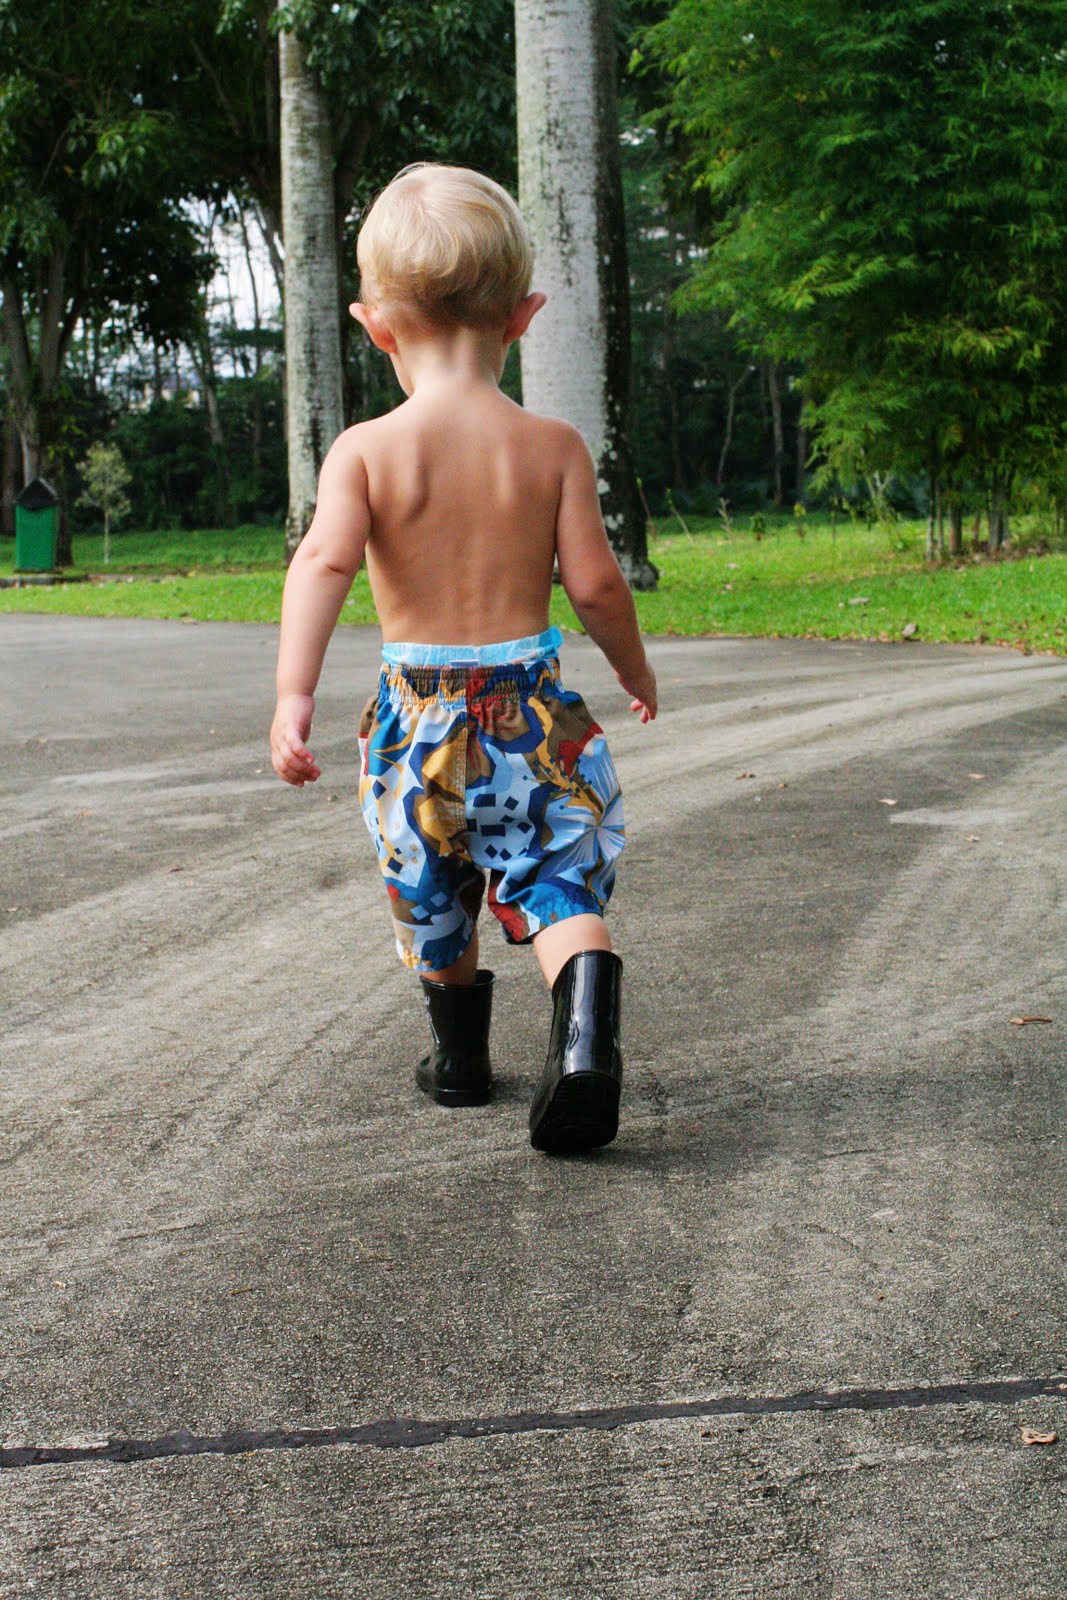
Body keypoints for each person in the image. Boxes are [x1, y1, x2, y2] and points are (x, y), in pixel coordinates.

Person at [269, 163, 656, 1154]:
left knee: (431, 895)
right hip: (531, 722)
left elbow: (321, 561)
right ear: (521, 316)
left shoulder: (363, 450)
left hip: (416, 734)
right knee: (557, 877)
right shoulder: (551, 446)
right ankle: (583, 1045)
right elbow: (599, 586)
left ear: (373, 324)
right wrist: (634, 671)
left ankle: (459, 1065)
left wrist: (293, 694)